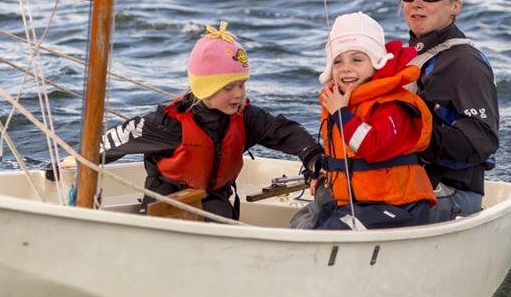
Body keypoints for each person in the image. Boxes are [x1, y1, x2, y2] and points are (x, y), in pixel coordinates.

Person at [62, 21, 323, 220]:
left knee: (220, 222)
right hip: (167, 201)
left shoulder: (246, 118)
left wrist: (312, 156)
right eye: (228, 87)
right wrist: (82, 157)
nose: (238, 94)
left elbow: (284, 131)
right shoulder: (170, 124)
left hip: (216, 199)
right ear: (204, 90)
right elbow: (123, 136)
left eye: (242, 85)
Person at [310, 12, 436, 230]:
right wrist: (326, 170)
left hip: (399, 206)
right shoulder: (342, 102)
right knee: (311, 227)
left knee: (332, 231)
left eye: (357, 59)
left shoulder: (393, 105)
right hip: (358, 203)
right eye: (338, 62)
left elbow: (372, 147)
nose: (346, 68)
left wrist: (341, 114)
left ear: (376, 62)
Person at [394, 0, 499, 222]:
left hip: (451, 192)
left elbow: (482, 141)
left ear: (455, 7)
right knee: (328, 200)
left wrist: (407, 134)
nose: (416, 2)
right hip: (403, 179)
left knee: (358, 213)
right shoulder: (402, 58)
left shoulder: (465, 63)